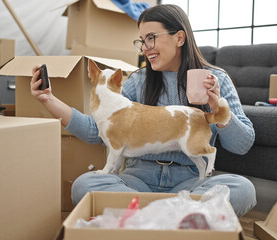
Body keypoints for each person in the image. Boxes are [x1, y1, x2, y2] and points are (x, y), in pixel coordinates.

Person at [30, 4, 256, 216]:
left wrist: (218, 108)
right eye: (141, 41)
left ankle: (145, 216)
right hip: (137, 181)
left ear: (179, 37)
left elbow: (242, 144)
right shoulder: (138, 81)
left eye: (151, 38)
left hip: (190, 180)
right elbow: (95, 131)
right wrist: (48, 100)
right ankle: (174, 216)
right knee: (84, 185)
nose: (146, 48)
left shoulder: (217, 79)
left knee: (243, 189)